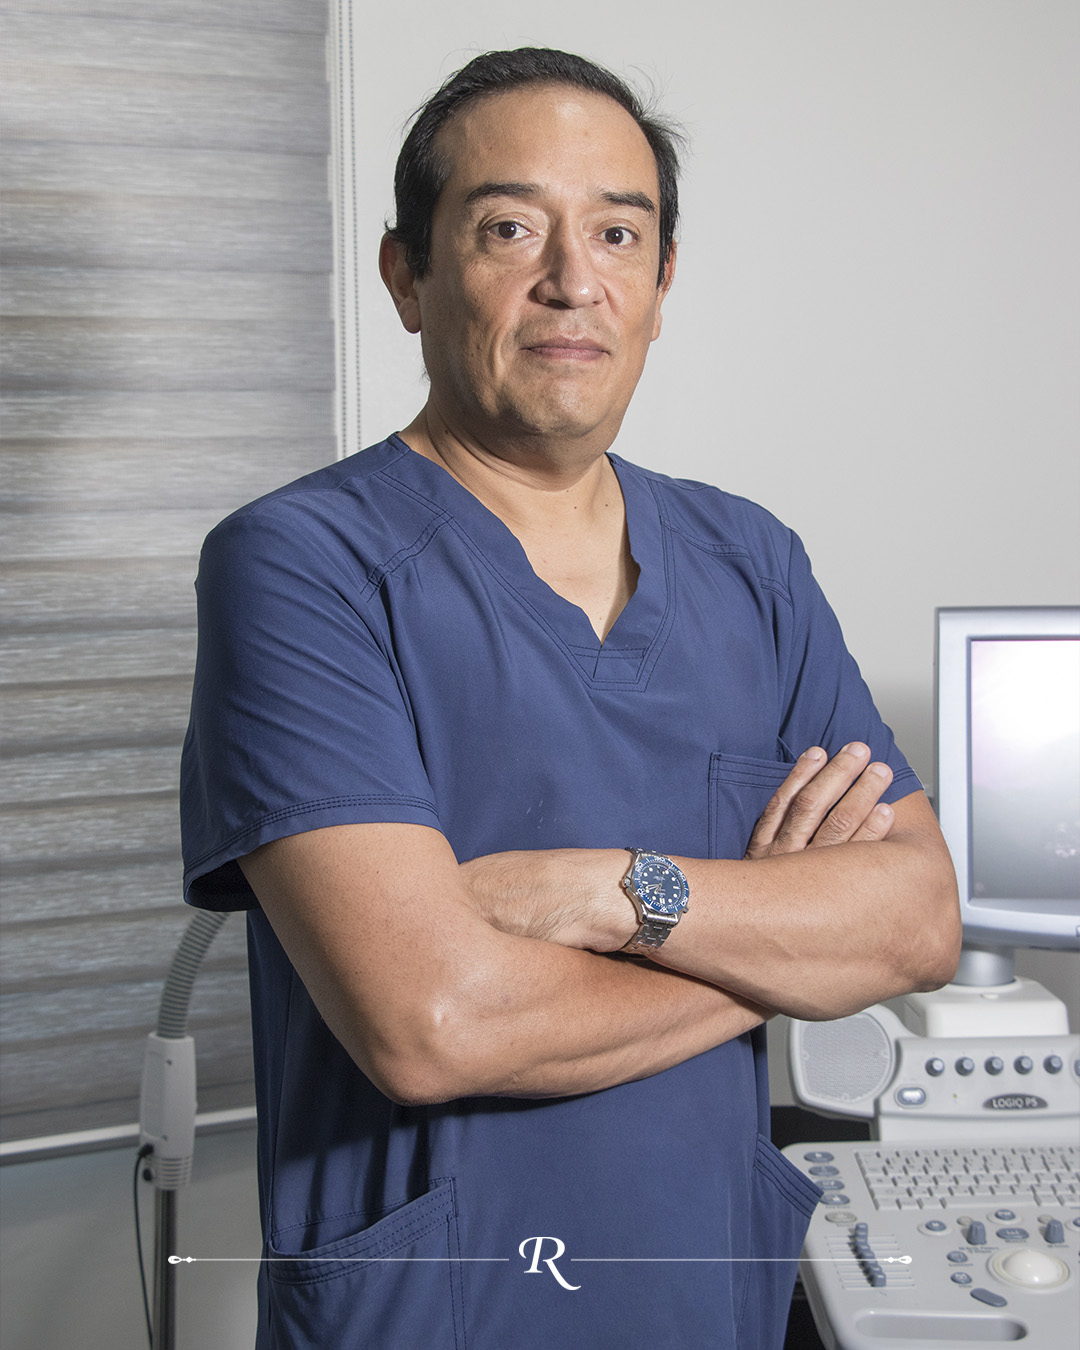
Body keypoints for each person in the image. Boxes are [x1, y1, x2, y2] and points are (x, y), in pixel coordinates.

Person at [180, 47, 959, 1350]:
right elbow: (434, 1024)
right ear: (407, 276)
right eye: (507, 228)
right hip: (440, 1314)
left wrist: (613, 890)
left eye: (617, 232)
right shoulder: (301, 564)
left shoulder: (751, 562)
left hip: (703, 1299)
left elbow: (920, 917)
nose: (571, 279)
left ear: (660, 285)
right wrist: (788, 958)